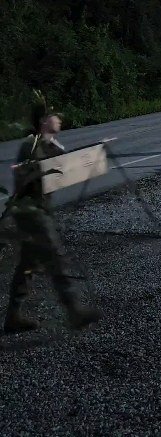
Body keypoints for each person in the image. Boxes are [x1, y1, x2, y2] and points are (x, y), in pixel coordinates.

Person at [3, 92, 101, 334]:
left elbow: (65, 171)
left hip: (36, 210)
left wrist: (92, 158)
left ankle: (13, 316)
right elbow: (25, 178)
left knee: (28, 263)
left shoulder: (50, 145)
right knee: (54, 254)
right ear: (44, 120)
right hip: (30, 211)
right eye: (55, 115)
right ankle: (74, 310)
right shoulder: (32, 143)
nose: (59, 118)